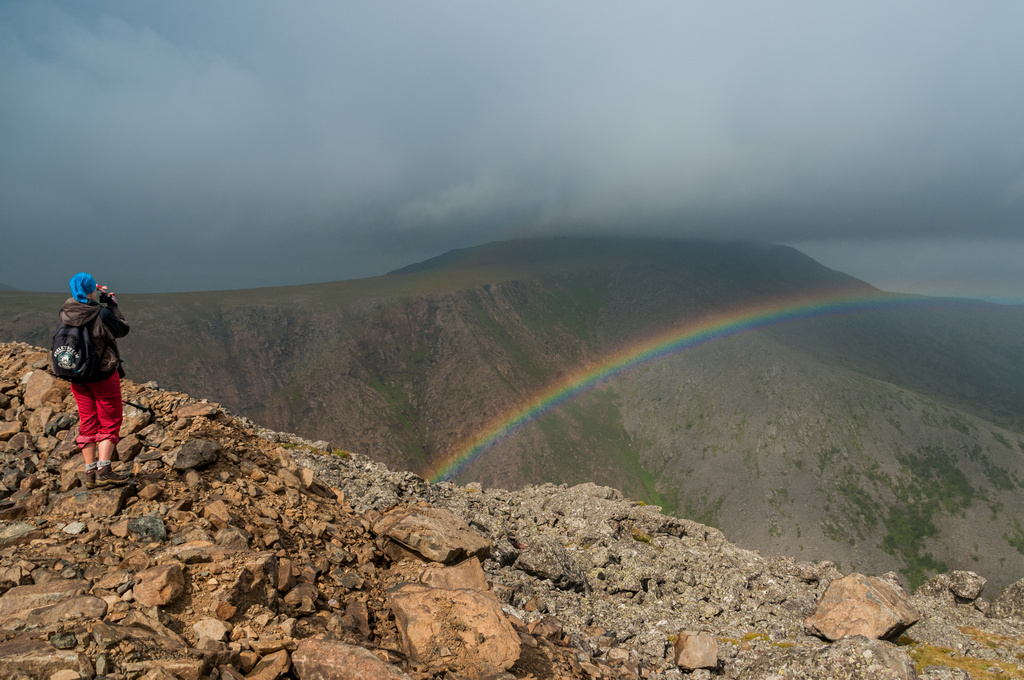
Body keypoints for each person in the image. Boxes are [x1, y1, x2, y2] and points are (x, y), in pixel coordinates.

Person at [60, 272, 131, 488]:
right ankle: (105, 470)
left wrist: (88, 294)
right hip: (102, 375)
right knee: (109, 419)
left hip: (77, 377)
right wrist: (111, 304)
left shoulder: (65, 312)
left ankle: (90, 472)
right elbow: (123, 328)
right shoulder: (100, 314)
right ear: (92, 290)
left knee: (88, 420)